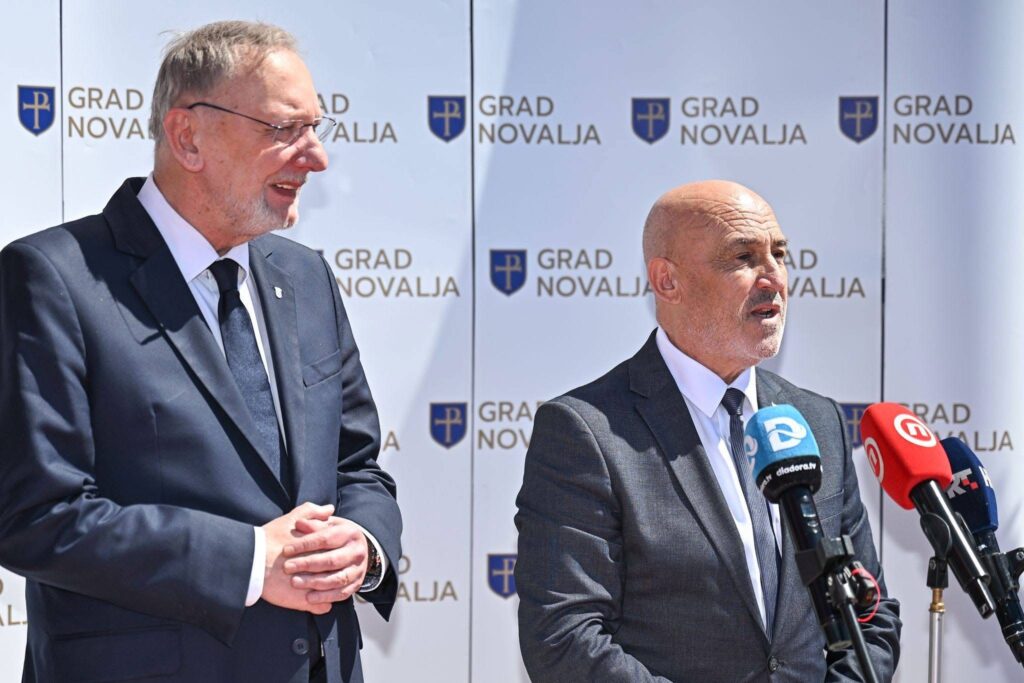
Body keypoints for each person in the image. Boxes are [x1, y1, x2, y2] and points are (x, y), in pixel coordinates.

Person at [0, 21, 401, 683]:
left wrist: (362, 545)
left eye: (315, 128)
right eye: (284, 129)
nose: (316, 157)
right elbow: (37, 515)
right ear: (188, 137)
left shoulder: (306, 278)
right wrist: (250, 562)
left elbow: (355, 465)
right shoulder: (54, 278)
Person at [514, 180, 900, 681]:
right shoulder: (588, 431)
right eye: (743, 257)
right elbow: (564, 636)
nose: (773, 277)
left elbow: (870, 615)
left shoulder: (816, 420)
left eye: (779, 254)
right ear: (667, 281)